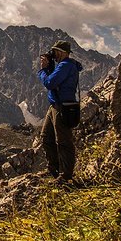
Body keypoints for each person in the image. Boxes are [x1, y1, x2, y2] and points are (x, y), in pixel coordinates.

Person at [38, 40, 83, 183]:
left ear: (63, 53)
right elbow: (54, 81)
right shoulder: (63, 66)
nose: (54, 55)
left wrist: (44, 70)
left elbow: (50, 83)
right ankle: (56, 171)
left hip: (62, 107)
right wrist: (50, 69)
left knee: (63, 141)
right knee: (46, 137)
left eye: (55, 52)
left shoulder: (65, 66)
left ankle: (65, 176)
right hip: (55, 106)